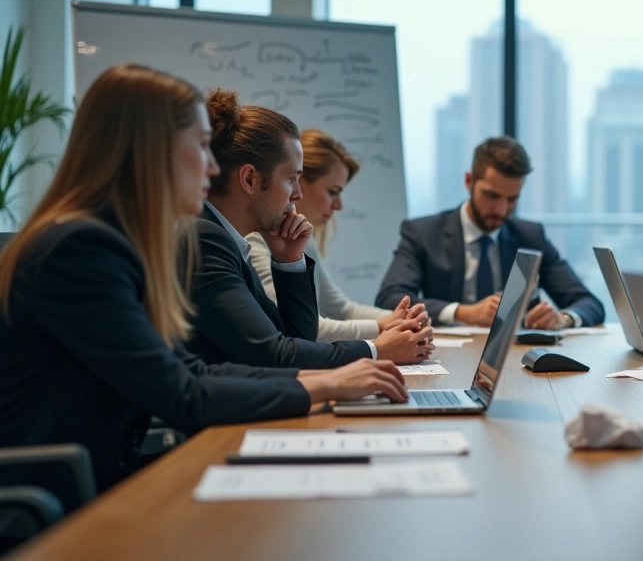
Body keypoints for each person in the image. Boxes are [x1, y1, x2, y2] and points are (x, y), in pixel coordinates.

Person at [0, 64, 407, 503]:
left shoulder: (116, 241)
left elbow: (193, 371)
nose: (213, 167)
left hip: (102, 475)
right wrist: (325, 384)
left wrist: (332, 376)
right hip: (59, 498)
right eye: (200, 146)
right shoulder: (81, 250)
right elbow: (183, 393)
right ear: (151, 152)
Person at [183, 90, 432, 368]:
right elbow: (274, 355)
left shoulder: (227, 239)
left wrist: (288, 261)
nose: (297, 194)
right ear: (250, 179)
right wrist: (375, 350)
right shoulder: (205, 239)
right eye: (291, 178)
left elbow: (296, 339)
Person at [377, 136, 605, 329]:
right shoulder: (424, 233)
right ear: (469, 181)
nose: (501, 210)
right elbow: (390, 298)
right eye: (491, 196)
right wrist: (462, 312)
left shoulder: (530, 236)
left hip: (514, 360)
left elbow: (589, 303)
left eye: (512, 199)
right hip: (444, 354)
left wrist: (563, 318)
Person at [247, 129, 407, 342]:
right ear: (298, 181)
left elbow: (339, 308)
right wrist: (381, 327)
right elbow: (295, 328)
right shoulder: (258, 238)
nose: (339, 206)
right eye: (332, 192)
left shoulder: (300, 237)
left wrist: (401, 319)